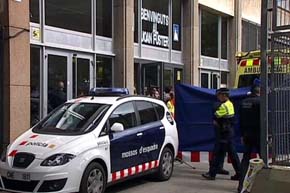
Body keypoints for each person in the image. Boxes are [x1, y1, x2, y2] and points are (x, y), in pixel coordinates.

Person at [202, 88, 241, 180]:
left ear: (224, 95)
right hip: (229, 132)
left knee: (217, 153)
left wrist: (215, 117)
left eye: (219, 95)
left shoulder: (223, 106)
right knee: (231, 154)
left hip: (224, 133)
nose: (218, 97)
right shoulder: (230, 104)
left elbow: (216, 115)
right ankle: (238, 173)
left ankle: (212, 174)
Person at [237, 85, 261, 193]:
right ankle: (261, 185)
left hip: (246, 134)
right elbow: (264, 119)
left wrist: (242, 134)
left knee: (245, 160)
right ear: (259, 92)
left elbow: (240, 120)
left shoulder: (243, 102)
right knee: (263, 160)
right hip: (259, 134)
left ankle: (241, 186)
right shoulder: (260, 102)